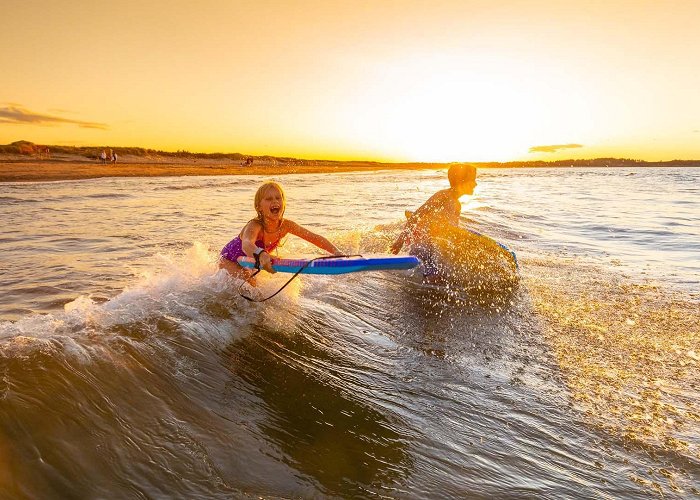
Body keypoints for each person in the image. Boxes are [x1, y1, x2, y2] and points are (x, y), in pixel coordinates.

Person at [219, 181, 341, 280]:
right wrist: (261, 254)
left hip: (251, 260)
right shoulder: (254, 225)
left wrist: (336, 252)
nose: (275, 201)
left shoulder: (286, 226)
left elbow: (313, 237)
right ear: (259, 207)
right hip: (229, 259)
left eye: (278, 198)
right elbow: (247, 244)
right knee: (250, 283)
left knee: (255, 287)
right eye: (269, 199)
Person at [390, 164, 478, 283]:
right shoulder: (443, 196)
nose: (475, 184)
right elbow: (416, 216)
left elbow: (453, 232)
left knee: (444, 281)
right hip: (425, 246)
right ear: (461, 181)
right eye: (473, 180)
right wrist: (400, 241)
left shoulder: (457, 205)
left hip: (438, 249)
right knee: (434, 282)